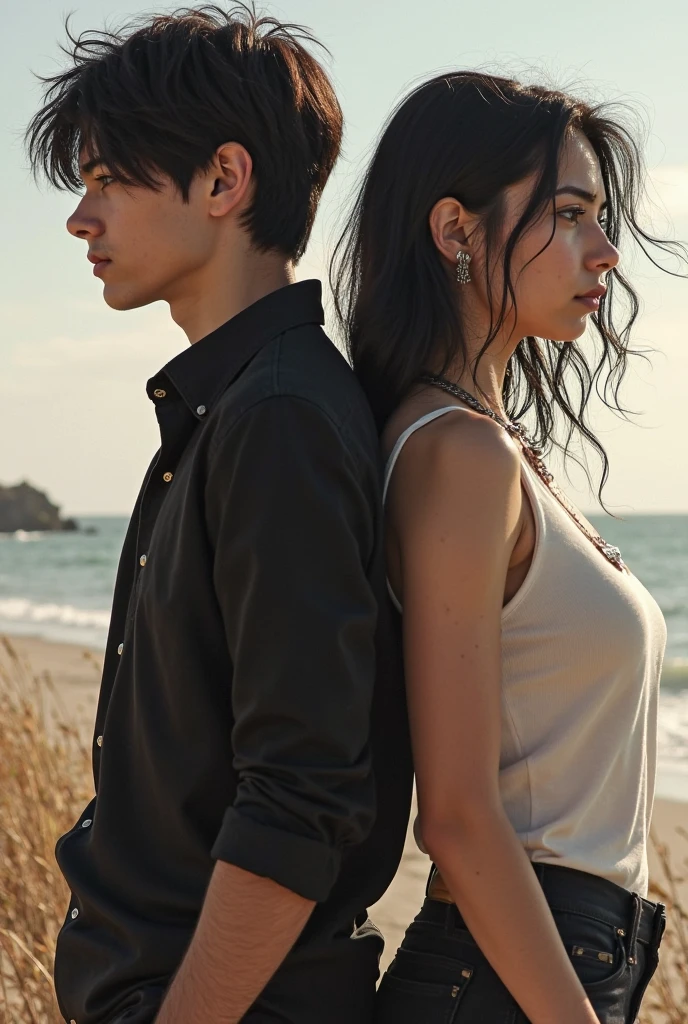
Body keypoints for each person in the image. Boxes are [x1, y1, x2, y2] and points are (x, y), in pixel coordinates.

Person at [26, 7, 412, 1023]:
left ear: (223, 181)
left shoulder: (277, 415)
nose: (81, 216)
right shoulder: (238, 404)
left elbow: (302, 797)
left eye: (107, 176)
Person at [332, 72, 686, 1024]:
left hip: (541, 966)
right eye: (570, 214)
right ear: (456, 231)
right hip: (505, 981)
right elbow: (453, 813)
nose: (606, 252)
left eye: (601, 217)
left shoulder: (487, 442)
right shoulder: (457, 454)